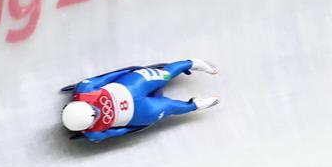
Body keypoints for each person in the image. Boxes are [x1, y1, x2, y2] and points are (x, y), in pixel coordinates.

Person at [61, 59, 219, 142]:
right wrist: (138, 125)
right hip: (140, 112)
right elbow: (119, 132)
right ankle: (194, 105)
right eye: (95, 115)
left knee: (165, 75)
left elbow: (106, 77)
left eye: (93, 109)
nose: (98, 111)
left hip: (132, 86)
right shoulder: (93, 134)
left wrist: (131, 71)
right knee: (169, 107)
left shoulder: (85, 90)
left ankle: (193, 63)